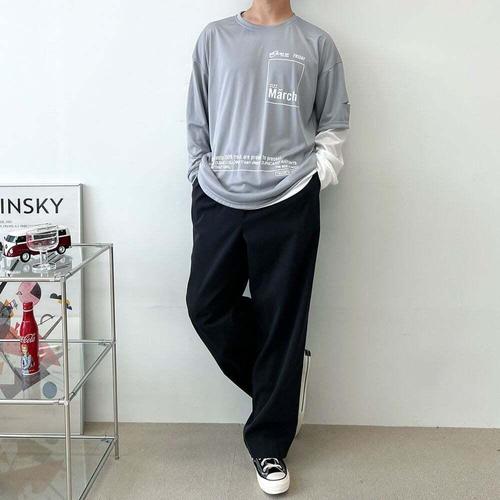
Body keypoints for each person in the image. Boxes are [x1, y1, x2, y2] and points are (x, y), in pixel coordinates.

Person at [185, 0, 350, 494]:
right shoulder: (214, 37)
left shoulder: (316, 43)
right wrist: (197, 171)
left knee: (283, 317)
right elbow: (197, 117)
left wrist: (318, 173)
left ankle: (270, 444)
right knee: (206, 305)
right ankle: (282, 381)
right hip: (219, 194)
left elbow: (334, 121)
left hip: (290, 197)